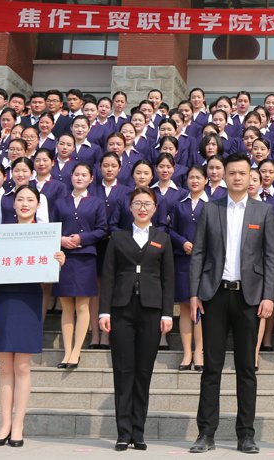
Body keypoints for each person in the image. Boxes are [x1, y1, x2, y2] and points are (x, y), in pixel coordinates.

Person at [188, 153, 274, 454]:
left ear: (251, 177)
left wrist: (268, 295)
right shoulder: (210, 209)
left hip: (248, 298)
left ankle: (246, 435)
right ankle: (206, 433)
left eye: (242, 173)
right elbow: (198, 253)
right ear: (223, 176)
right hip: (214, 296)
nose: (237, 178)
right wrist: (194, 293)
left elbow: (271, 257)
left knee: (246, 368)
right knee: (211, 367)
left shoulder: (263, 211)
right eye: (232, 173)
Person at [0, 184, 65, 447]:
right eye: (20, 199)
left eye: (30, 200)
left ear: (38, 205)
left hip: (29, 299)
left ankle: (18, 425)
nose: (25, 204)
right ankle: (5, 424)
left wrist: (59, 260)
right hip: (4, 297)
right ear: (13, 204)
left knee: (23, 366)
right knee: (5, 367)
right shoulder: (0, 233)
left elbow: (49, 272)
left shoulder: (46, 234)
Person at [98, 186, 174, 450]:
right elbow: (108, 275)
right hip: (122, 309)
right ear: (130, 208)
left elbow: (168, 279)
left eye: (147, 204)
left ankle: (138, 432)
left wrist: (167, 313)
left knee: (143, 372)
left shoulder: (163, 238)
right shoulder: (118, 237)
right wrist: (104, 310)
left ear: (155, 208)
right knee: (123, 371)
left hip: (151, 310)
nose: (143, 208)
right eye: (138, 203)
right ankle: (123, 433)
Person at [51, 163, 107, 369]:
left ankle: (76, 351)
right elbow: (52, 227)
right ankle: (67, 351)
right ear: (71, 177)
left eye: (84, 175)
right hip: (63, 257)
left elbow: (102, 229)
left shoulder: (96, 202)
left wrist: (82, 238)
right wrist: (61, 239)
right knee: (66, 305)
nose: (79, 178)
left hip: (85, 257)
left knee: (82, 305)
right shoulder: (60, 202)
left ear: (91, 179)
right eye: (76, 174)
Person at [167, 166, 210, 371]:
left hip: (205, 262)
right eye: (191, 177)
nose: (194, 181)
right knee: (185, 307)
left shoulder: (213, 205)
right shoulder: (179, 205)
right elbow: (171, 230)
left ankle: (199, 352)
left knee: (200, 307)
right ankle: (186, 353)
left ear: (206, 180)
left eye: (198, 177)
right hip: (183, 260)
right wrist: (182, 242)